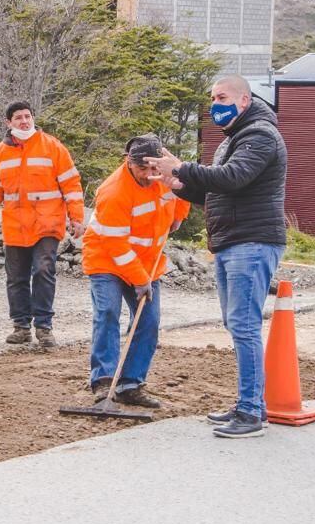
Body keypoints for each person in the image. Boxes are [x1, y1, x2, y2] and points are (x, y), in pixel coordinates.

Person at [146, 75, 287, 439]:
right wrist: (180, 186)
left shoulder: (259, 135)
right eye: (212, 97)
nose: (214, 104)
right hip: (232, 241)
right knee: (237, 324)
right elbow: (218, 191)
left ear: (243, 100)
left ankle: (252, 412)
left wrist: (180, 168)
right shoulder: (235, 138)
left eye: (221, 96)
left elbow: (233, 178)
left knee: (243, 325)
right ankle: (246, 404)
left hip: (251, 242)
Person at [82, 135, 190, 407]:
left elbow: (183, 194)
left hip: (148, 261)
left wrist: (179, 214)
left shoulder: (165, 176)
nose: (148, 174)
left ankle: (131, 383)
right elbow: (115, 244)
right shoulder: (114, 192)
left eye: (153, 168)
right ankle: (104, 380)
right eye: (142, 168)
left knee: (149, 321)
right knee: (107, 313)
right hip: (107, 259)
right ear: (129, 163)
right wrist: (140, 280)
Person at [0, 101, 85, 347]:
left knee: (44, 270)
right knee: (16, 277)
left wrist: (76, 217)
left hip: (47, 223)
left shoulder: (53, 147)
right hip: (15, 226)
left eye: (27, 116)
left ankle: (44, 327)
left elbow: (71, 185)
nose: (24, 121)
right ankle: (21, 326)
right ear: (9, 123)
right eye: (18, 118)